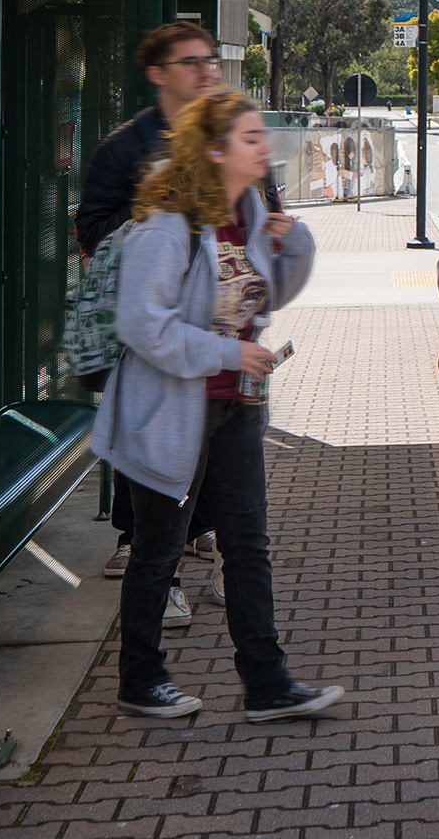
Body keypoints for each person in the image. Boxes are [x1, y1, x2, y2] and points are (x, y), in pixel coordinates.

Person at [93, 90, 342, 723]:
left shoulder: (250, 210)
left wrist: (296, 243)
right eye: (251, 138)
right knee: (159, 548)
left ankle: (267, 681)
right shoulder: (169, 224)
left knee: (248, 542)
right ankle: (141, 678)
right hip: (170, 411)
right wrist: (230, 355)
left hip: (236, 407)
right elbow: (142, 326)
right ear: (213, 150)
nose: (266, 148)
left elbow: (268, 297)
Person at [76, 20, 225, 597]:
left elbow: (261, 208)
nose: (206, 70)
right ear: (159, 74)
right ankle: (136, 539)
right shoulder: (125, 147)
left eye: (209, 59)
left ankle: (197, 529)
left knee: (210, 428)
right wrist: (163, 209)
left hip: (213, 322)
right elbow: (90, 230)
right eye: (191, 62)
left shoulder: (227, 134)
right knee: (151, 429)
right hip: (148, 324)